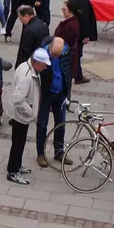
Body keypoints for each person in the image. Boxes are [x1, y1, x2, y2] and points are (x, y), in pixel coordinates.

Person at [4, 48, 45, 185]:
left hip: (21, 115)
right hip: (20, 115)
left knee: (19, 142)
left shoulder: (28, 68)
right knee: (18, 143)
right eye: (44, 64)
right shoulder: (26, 76)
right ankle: (13, 171)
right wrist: (31, 113)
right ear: (37, 63)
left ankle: (17, 165)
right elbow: (18, 99)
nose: (45, 67)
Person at [35, 31, 72, 167]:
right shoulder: (42, 53)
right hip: (47, 93)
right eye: (54, 55)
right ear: (50, 48)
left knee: (61, 123)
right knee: (42, 124)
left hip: (61, 92)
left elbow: (68, 71)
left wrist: (67, 92)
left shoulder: (66, 52)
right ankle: (40, 154)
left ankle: (59, 151)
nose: (56, 57)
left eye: (58, 55)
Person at [68, 0, 98, 84]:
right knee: (77, 54)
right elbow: (85, 19)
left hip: (71, 27)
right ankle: (77, 76)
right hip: (79, 30)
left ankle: (77, 75)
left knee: (74, 53)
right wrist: (86, 35)